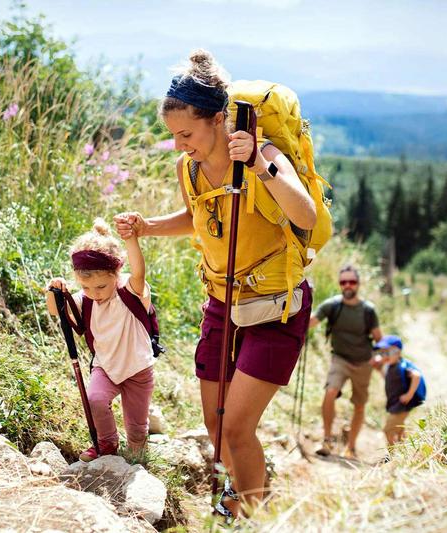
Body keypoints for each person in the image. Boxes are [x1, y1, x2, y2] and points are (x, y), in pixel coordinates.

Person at [113, 49, 316, 517]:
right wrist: (147, 226)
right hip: (222, 303)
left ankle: (252, 517)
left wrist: (261, 167)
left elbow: (304, 214)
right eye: (173, 135)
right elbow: (196, 216)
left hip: (275, 306)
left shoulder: (264, 154)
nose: (179, 145)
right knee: (216, 425)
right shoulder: (189, 167)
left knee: (237, 428)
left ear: (219, 119)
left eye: (186, 134)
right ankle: (235, 509)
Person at [46, 218, 154, 462]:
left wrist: (131, 239)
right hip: (105, 365)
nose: (94, 294)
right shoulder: (86, 300)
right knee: (95, 399)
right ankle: (107, 443)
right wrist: (53, 291)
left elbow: (139, 271)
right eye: (86, 287)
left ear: (116, 273)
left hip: (138, 369)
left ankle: (138, 455)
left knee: (137, 427)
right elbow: (56, 310)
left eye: (101, 287)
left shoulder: (130, 291)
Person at [309, 264, 382, 459]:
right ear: (339, 284)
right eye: (343, 282)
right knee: (330, 392)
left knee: (359, 405)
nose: (347, 285)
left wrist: (380, 358)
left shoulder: (368, 310)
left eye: (352, 281)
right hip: (340, 359)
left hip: (363, 363)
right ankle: (327, 440)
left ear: (358, 284)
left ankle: (351, 446)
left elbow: (379, 339)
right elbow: (311, 321)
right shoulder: (332, 306)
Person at [371, 334, 425, 445]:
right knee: (400, 430)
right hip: (395, 403)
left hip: (402, 405)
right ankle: (406, 448)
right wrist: (379, 369)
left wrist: (409, 394)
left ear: (398, 352)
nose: (385, 356)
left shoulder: (403, 366)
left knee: (388, 430)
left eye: (388, 353)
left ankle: (393, 453)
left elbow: (416, 376)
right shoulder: (390, 367)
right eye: (382, 353)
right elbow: (390, 380)